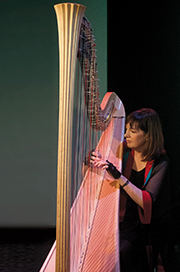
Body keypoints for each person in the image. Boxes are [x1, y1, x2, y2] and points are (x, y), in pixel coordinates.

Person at [91, 108, 171, 272]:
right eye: (126, 130)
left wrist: (118, 176)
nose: (126, 135)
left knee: (117, 253)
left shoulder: (161, 162)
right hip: (121, 220)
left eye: (132, 131)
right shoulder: (125, 151)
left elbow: (147, 200)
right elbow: (106, 165)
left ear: (148, 136)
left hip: (143, 227)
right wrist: (93, 159)